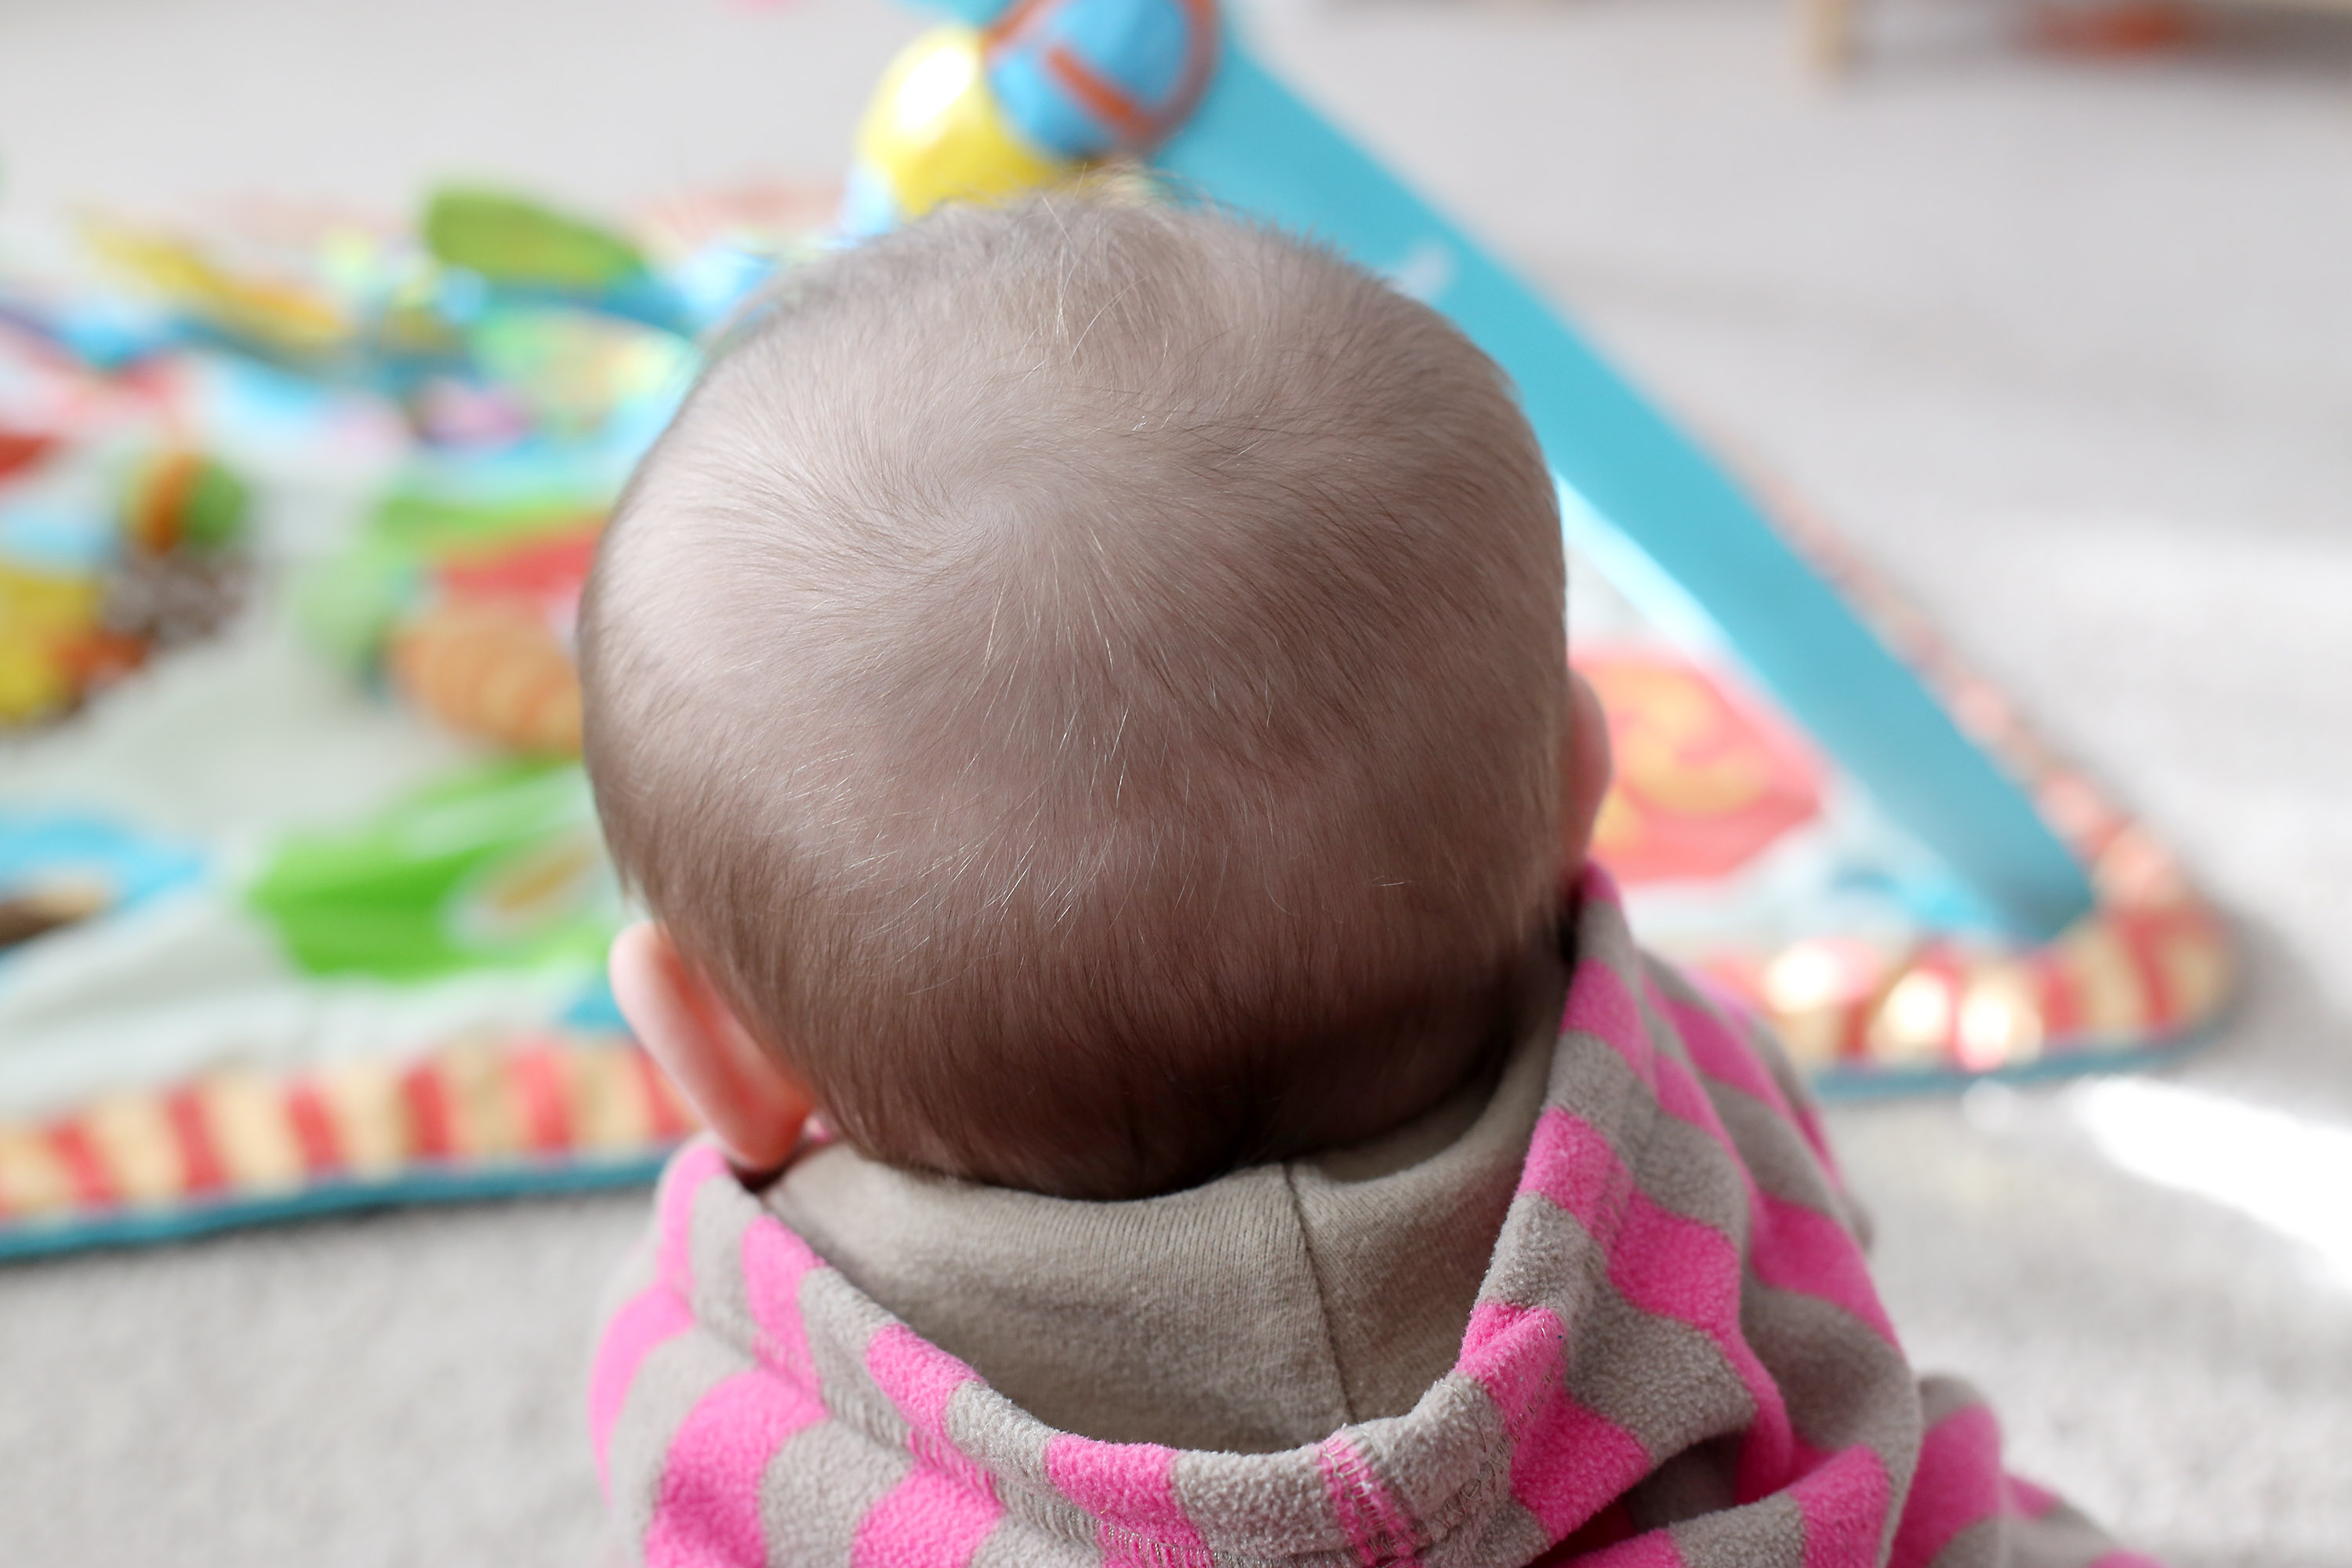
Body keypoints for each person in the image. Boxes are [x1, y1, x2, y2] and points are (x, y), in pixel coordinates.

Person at [581, 194, 2149, 1567]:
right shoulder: (1694, 1086)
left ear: (715, 1052)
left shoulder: (726, 1362)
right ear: (1580, 786)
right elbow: (1818, 1302)